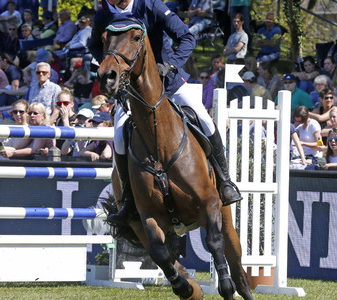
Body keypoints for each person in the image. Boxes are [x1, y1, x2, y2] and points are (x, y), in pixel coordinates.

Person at [90, 0, 242, 224]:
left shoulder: (152, 6)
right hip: (132, 91)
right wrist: (111, 70)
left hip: (169, 82)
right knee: (120, 136)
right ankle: (130, 201)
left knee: (205, 120)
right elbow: (94, 45)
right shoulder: (103, 15)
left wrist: (171, 65)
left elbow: (187, 37)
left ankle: (225, 182)